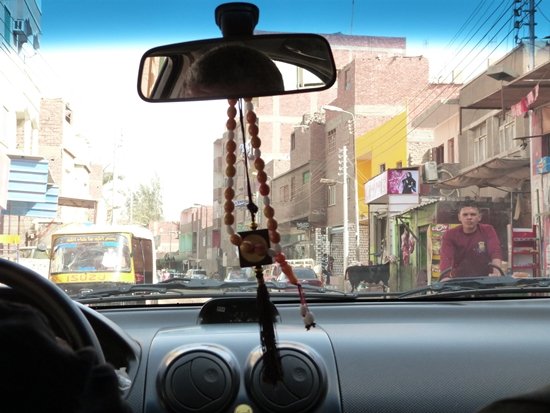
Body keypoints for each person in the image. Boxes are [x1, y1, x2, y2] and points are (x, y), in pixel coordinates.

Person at [439, 201, 502, 280]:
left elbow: (495, 251)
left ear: (479, 217)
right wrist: (445, 277)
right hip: (460, 281)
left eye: (473, 214)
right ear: (459, 217)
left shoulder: (488, 230)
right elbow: (446, 258)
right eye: (465, 215)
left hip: (486, 280)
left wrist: (496, 272)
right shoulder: (450, 235)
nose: (469, 217)